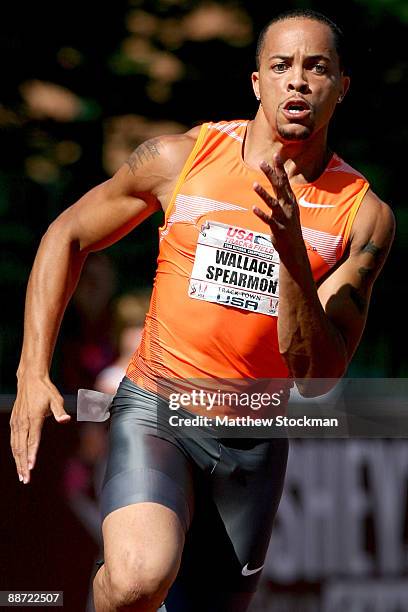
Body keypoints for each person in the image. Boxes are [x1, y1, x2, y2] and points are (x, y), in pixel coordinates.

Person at [10, 9, 395, 612]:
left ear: (341, 85)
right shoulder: (180, 158)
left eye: (316, 68)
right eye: (281, 66)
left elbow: (318, 377)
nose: (297, 81)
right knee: (140, 577)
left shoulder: (362, 215)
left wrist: (293, 257)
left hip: (255, 440)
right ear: (257, 83)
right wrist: (32, 372)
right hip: (158, 407)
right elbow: (67, 235)